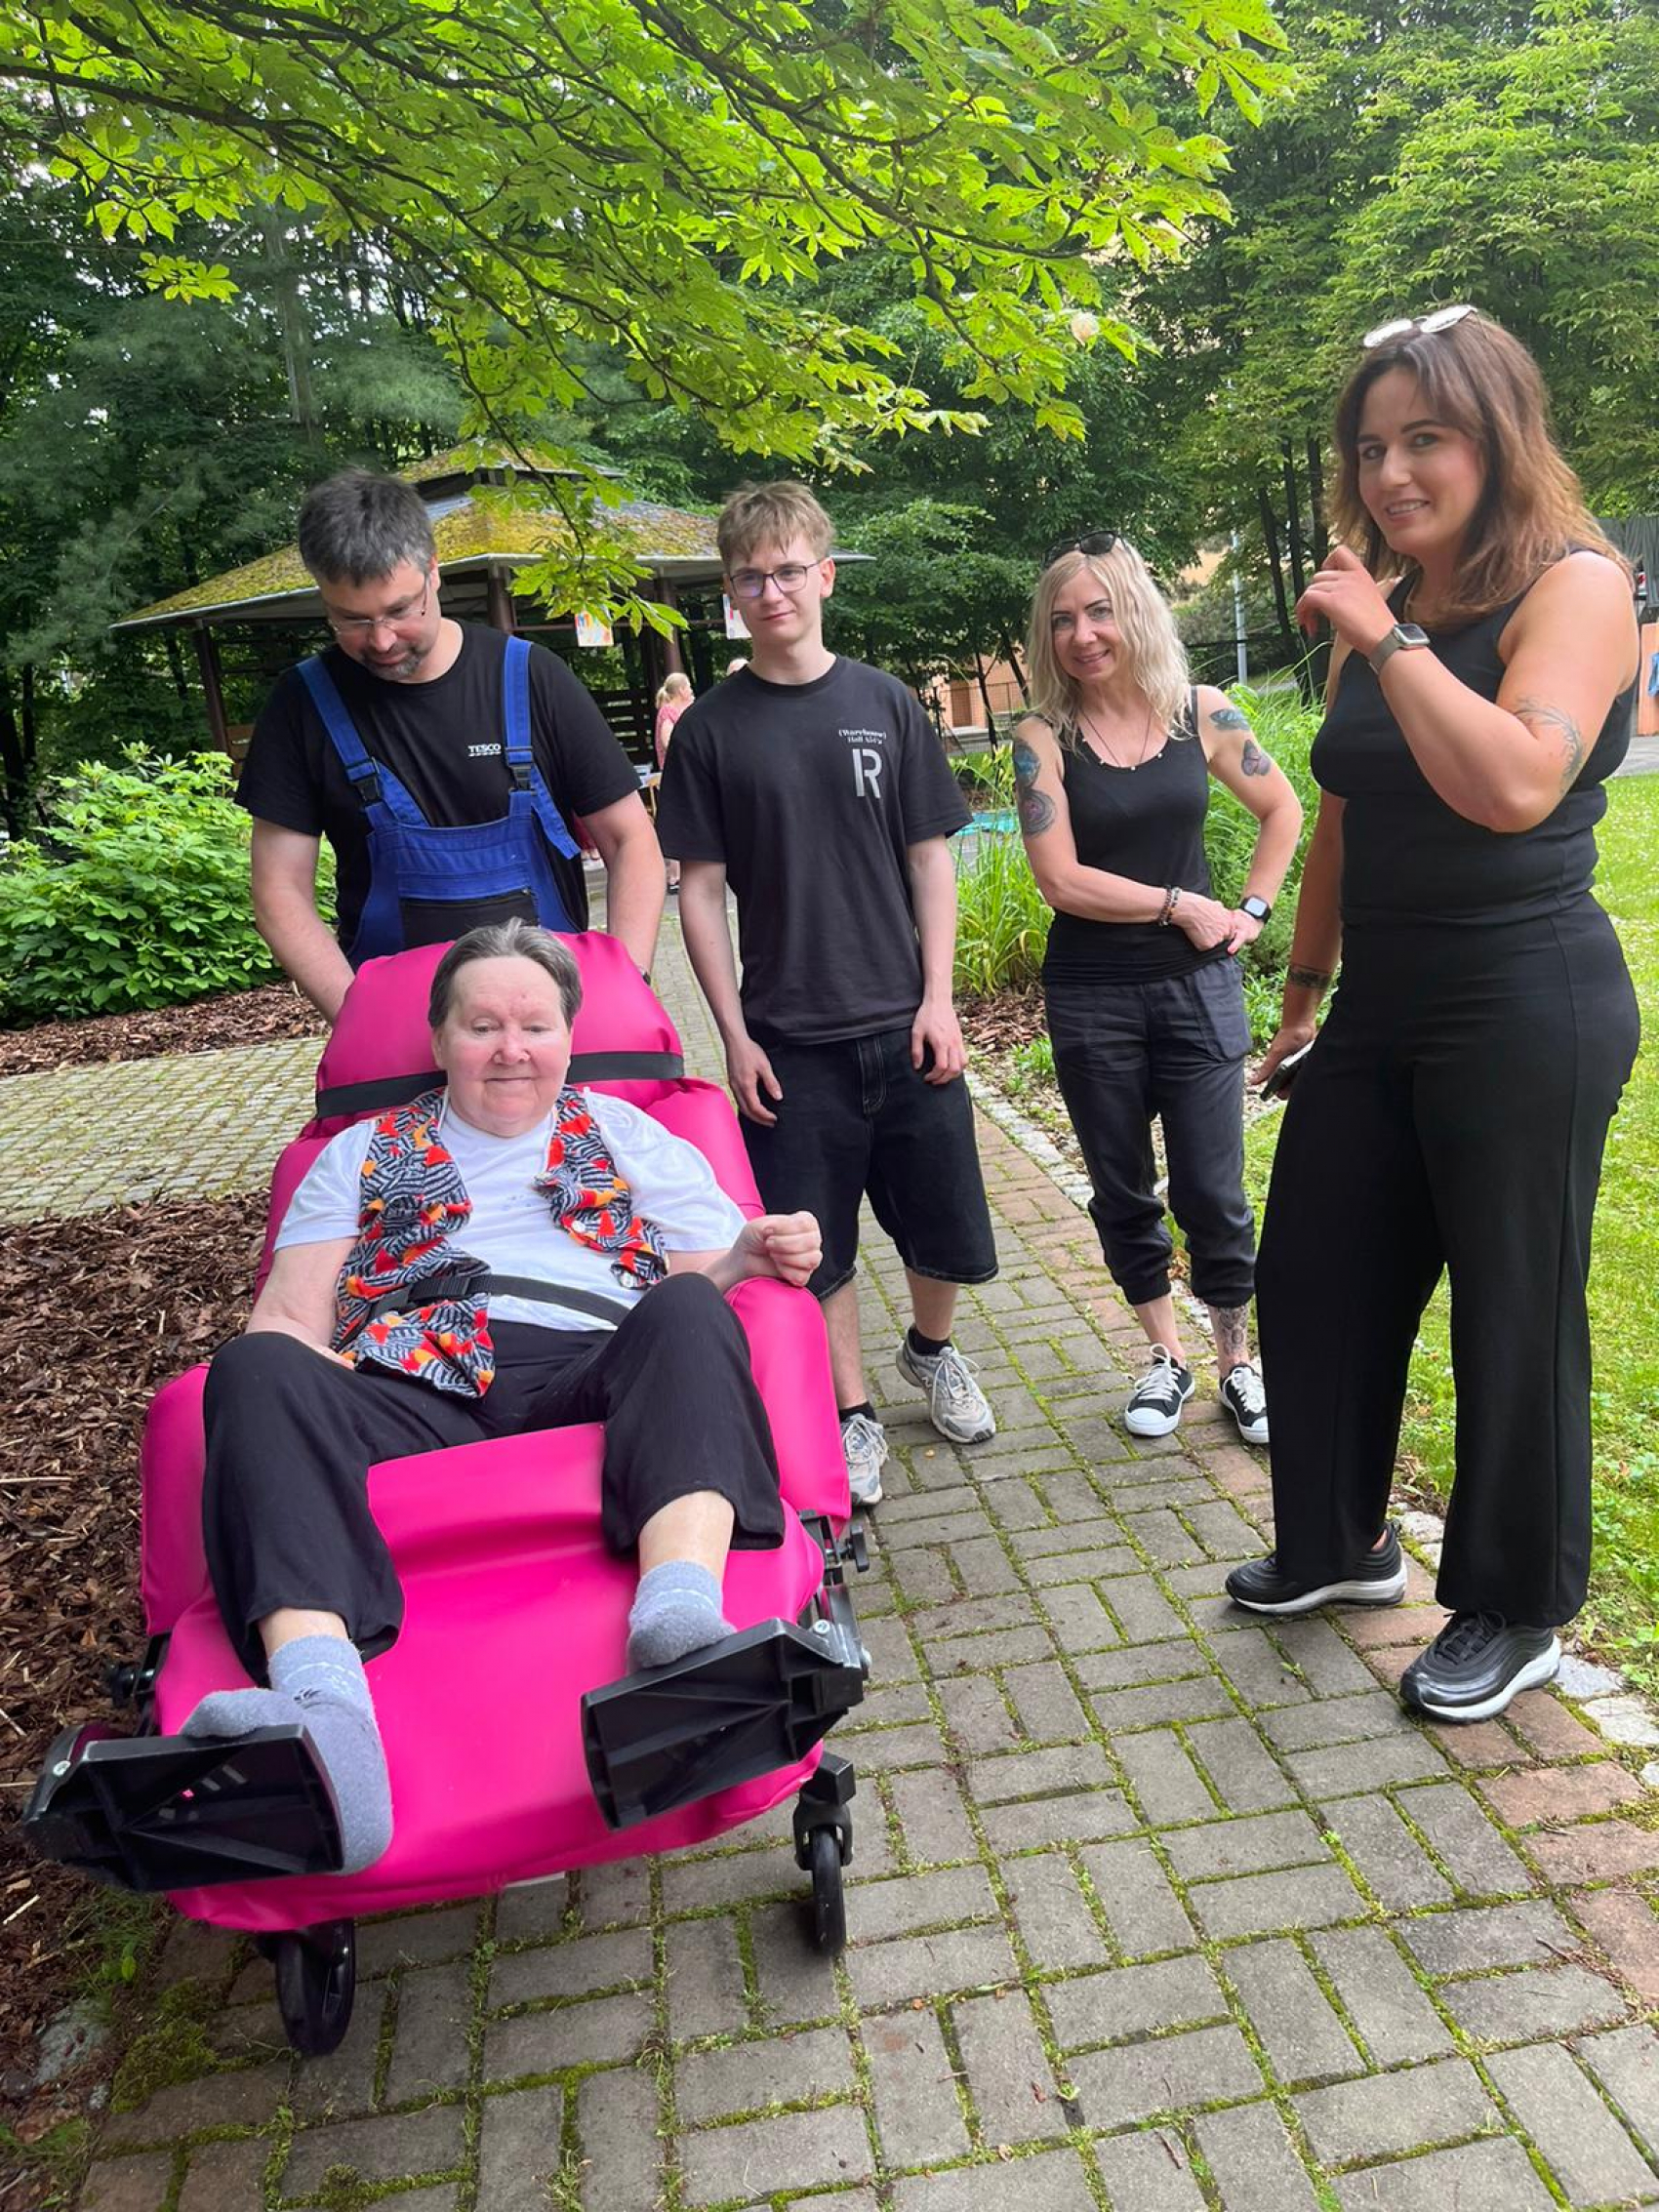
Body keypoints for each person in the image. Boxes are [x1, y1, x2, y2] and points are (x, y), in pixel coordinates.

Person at [175, 920, 819, 1871]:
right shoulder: (359, 1152)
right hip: (414, 1381)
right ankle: (323, 1718)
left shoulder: (625, 1132)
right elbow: (287, 1321)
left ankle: (679, 1624)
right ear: (439, 1039)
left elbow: (696, 1293)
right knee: (253, 1365)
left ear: (569, 1037)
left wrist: (750, 1255)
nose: (511, 1048)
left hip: (589, 1364)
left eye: (535, 1025)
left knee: (688, 1306)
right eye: (482, 1026)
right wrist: (314, 1386)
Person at [1229, 306, 1641, 1725]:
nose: (1391, 471)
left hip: (1524, 994)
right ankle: (1339, 1542)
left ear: (1497, 439)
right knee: (1316, 1265)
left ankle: (1515, 1608)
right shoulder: (1386, 609)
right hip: (1384, 999)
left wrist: (1387, 633)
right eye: (1370, 447)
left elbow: (1516, 782)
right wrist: (1303, 992)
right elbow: (1343, 813)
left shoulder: (1574, 586)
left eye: (1426, 439)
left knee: (1513, 1304)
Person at [656, 481, 999, 1507]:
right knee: (818, 1247)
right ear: (731, 592)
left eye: (789, 571)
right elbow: (699, 890)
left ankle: (929, 1349)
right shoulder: (710, 731)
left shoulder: (885, 703)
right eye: (750, 577)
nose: (772, 592)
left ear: (826, 575)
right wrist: (732, 1034)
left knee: (943, 1225)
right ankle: (851, 1412)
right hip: (789, 1039)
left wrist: (939, 997)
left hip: (906, 1023)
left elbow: (930, 857)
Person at [1012, 536, 1303, 1445]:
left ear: (1135, 612)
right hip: (1093, 996)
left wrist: (1250, 909)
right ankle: (1165, 1356)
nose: (1083, 634)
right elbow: (1061, 879)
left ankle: (1237, 1362)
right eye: (1063, 619)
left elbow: (1284, 809)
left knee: (1213, 1189)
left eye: (1099, 612)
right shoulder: (1041, 739)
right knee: (1124, 1188)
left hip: (1197, 991)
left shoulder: (1201, 713)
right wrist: (1181, 904)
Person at [239, 468, 664, 1020]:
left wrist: (623, 990)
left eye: (400, 610)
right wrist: (359, 1020)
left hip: (551, 1028)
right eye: (352, 620)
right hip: (394, 1027)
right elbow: (280, 890)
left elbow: (631, 841)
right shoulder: (303, 704)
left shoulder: (532, 679)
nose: (382, 640)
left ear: (433, 570)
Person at [653, 672, 694, 893]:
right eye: (689, 687)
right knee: (680, 822)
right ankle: (674, 877)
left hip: (677, 774)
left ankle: (677, 875)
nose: (691, 691)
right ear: (681, 690)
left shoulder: (674, 710)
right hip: (674, 776)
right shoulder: (668, 711)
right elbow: (667, 739)